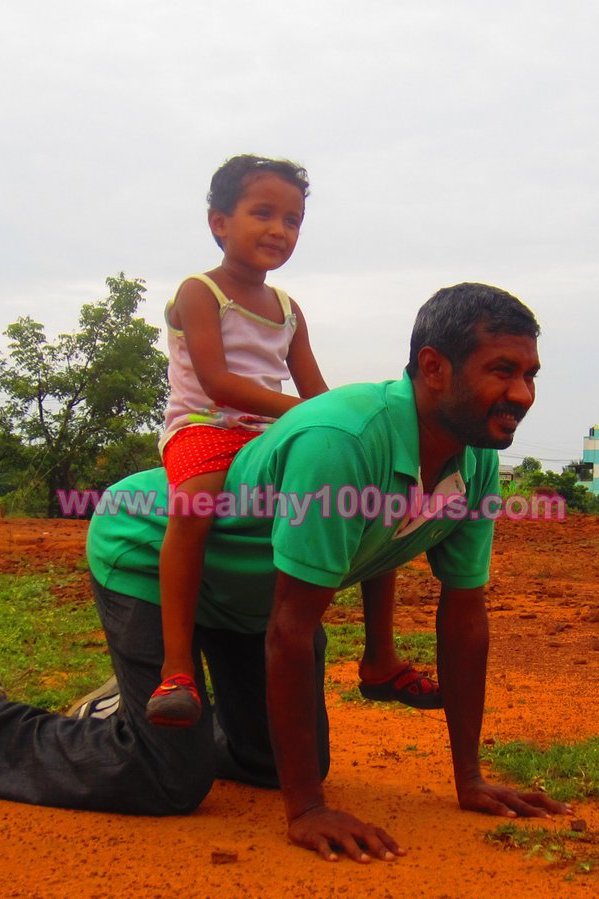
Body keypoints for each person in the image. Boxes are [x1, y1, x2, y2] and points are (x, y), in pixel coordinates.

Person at [0, 283, 567, 861]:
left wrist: (470, 779)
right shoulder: (342, 440)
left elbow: (463, 615)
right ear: (434, 367)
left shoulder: (475, 460)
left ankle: (125, 716)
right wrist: (308, 809)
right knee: (169, 781)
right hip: (151, 553)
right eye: (503, 371)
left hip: (248, 594)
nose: (522, 394)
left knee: (281, 761)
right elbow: (291, 630)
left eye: (530, 374)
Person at [151, 153, 436, 728]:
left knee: (370, 498)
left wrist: (349, 426)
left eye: (293, 220)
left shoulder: (288, 309)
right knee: (193, 502)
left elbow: (318, 391)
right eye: (263, 213)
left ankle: (380, 656)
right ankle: (177, 666)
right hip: (206, 425)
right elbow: (216, 381)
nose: (280, 230)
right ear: (219, 222)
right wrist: (304, 416)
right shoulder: (199, 292)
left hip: (269, 432)